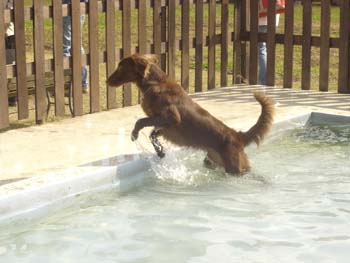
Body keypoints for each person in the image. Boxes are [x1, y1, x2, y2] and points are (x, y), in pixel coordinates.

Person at [246, 1, 281, 85]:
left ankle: (264, 81)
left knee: (262, 50)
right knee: (268, 49)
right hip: (273, 17)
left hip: (261, 18)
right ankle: (269, 80)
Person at [62, 0, 89, 93]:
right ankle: (82, 83)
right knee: (76, 45)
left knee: (65, 47)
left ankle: (69, 84)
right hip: (80, 7)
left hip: (68, 7)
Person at [4, 0, 16, 106]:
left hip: (8, 35)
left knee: (9, 65)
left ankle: (10, 95)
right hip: (8, 34)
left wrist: (3, 30)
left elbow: (8, 14)